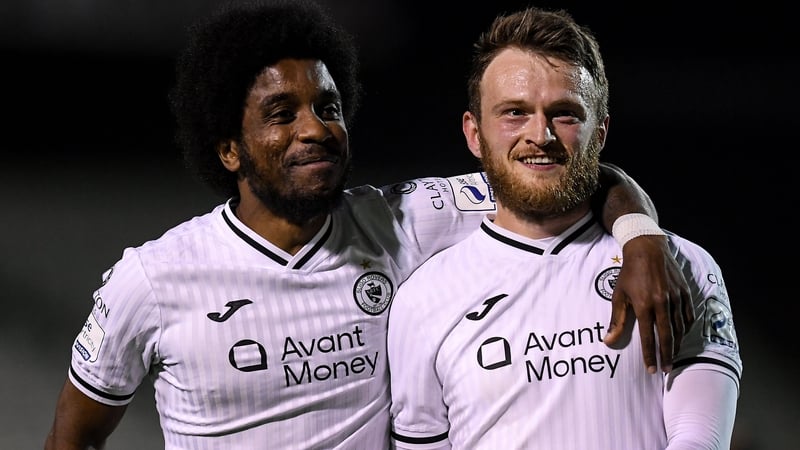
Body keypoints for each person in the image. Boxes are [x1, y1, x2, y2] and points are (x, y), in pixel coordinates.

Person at [44, 1, 692, 449]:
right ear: (228, 150)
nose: (315, 127)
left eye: (328, 106)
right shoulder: (153, 280)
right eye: (281, 112)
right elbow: (75, 435)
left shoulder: (405, 218)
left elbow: (562, 171)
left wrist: (641, 240)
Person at [387, 6, 742, 450]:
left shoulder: (679, 266)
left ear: (600, 132)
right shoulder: (422, 299)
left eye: (565, 114)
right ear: (474, 133)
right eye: (514, 112)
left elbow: (699, 439)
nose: (541, 134)